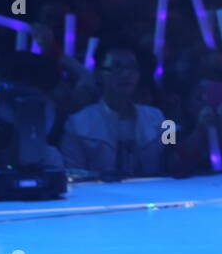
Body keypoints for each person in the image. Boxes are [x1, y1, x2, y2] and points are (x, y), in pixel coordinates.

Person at [59, 48, 165, 179]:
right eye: (116, 67)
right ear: (99, 75)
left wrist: (175, 128)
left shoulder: (157, 117)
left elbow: (171, 155)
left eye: (132, 68)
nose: (126, 74)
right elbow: (72, 173)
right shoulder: (77, 123)